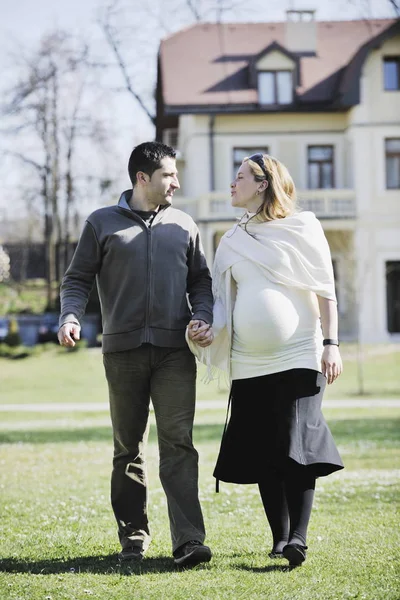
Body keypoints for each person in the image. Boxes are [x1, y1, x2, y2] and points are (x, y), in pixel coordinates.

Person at [58, 141, 214, 568]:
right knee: (128, 448)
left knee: (178, 444)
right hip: (122, 352)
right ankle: (134, 535)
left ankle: (188, 541)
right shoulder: (101, 223)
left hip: (173, 353)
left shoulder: (184, 224)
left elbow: (201, 281)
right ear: (143, 178)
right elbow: (77, 280)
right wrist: (70, 316)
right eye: (169, 175)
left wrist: (202, 314)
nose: (176, 182)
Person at [188, 153, 344, 568]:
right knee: (265, 448)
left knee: (298, 444)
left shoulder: (304, 227)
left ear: (262, 183)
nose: (232, 184)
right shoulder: (231, 240)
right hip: (249, 361)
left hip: (300, 353)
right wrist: (204, 328)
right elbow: (223, 302)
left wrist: (332, 343)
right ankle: (278, 539)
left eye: (239, 177)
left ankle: (298, 538)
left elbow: (325, 290)